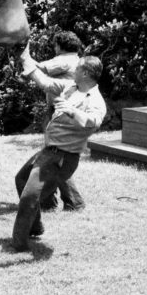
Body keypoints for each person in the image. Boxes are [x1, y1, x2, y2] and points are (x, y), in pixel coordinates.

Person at [11, 46, 106, 252]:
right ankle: (35, 228)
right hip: (48, 152)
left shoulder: (96, 100)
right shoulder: (71, 86)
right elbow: (43, 81)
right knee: (21, 179)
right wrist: (24, 56)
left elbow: (93, 122)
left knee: (30, 197)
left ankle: (18, 244)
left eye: (77, 67)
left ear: (86, 73)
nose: (74, 69)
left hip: (63, 158)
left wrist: (72, 111)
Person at [36, 31, 86, 212]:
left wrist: (22, 54)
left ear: (60, 45)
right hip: (69, 112)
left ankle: (72, 201)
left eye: (55, 44)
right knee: (56, 158)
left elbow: (37, 68)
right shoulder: (77, 59)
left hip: (59, 113)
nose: (53, 47)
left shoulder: (64, 59)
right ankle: (50, 202)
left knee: (55, 159)